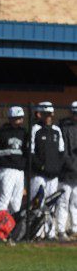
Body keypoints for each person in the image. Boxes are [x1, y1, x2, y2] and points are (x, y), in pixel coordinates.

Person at [30, 101, 65, 239]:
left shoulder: (57, 130)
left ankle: (50, 232)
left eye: (50, 114)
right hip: (39, 174)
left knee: (52, 205)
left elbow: (61, 152)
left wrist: (56, 167)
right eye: (46, 114)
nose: (49, 117)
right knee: (38, 202)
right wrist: (41, 167)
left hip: (53, 175)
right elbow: (31, 153)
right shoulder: (35, 129)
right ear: (41, 115)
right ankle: (36, 233)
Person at [0, 106, 27, 214]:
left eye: (21, 118)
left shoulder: (24, 132)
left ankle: (13, 228)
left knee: (16, 202)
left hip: (19, 171)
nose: (20, 120)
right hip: (6, 169)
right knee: (4, 200)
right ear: (10, 118)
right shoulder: (1, 131)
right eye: (17, 118)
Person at [57, 101, 77, 240]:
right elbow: (62, 150)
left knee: (75, 202)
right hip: (66, 171)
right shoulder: (63, 127)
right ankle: (60, 229)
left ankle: (74, 228)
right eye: (75, 113)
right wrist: (69, 164)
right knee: (63, 201)